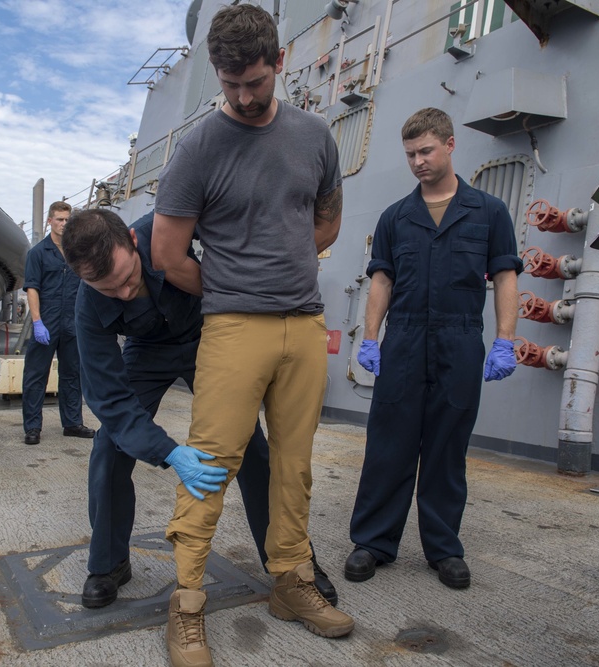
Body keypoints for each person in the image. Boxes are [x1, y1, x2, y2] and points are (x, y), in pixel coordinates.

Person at [150, 5, 354, 665]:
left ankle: (290, 583)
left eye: (255, 83)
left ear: (279, 64)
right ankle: (185, 604)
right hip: (235, 326)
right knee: (210, 466)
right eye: (230, 83)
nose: (242, 97)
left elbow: (324, 221)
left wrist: (282, 271)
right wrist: (235, 289)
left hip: (304, 322)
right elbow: (169, 253)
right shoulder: (199, 147)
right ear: (218, 73)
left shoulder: (316, 136)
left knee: (294, 466)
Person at [61, 209, 337, 609]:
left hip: (208, 336)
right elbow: (110, 400)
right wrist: (168, 451)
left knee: (253, 447)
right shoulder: (87, 305)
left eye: (127, 278)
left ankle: (288, 563)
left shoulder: (165, 226)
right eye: (108, 289)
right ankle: (109, 563)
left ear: (135, 242)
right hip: (148, 351)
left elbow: (233, 231)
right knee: (109, 448)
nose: (122, 294)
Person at [343, 108, 521, 590]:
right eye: (410, 155)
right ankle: (373, 542)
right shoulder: (395, 217)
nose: (418, 161)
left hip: (460, 338)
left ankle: (444, 549)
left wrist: (505, 339)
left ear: (449, 144)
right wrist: (371, 337)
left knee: (447, 447)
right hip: (403, 340)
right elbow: (381, 279)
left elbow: (505, 275)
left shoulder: (488, 212)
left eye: (426, 151)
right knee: (389, 443)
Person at [21, 201, 95, 445]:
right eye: (59, 219)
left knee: (72, 374)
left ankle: (72, 423)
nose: (63, 224)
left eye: (67, 220)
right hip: (47, 321)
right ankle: (32, 427)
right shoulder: (38, 253)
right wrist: (37, 322)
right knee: (35, 375)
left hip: (73, 322)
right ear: (49, 221)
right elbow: (32, 288)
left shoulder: (78, 252)